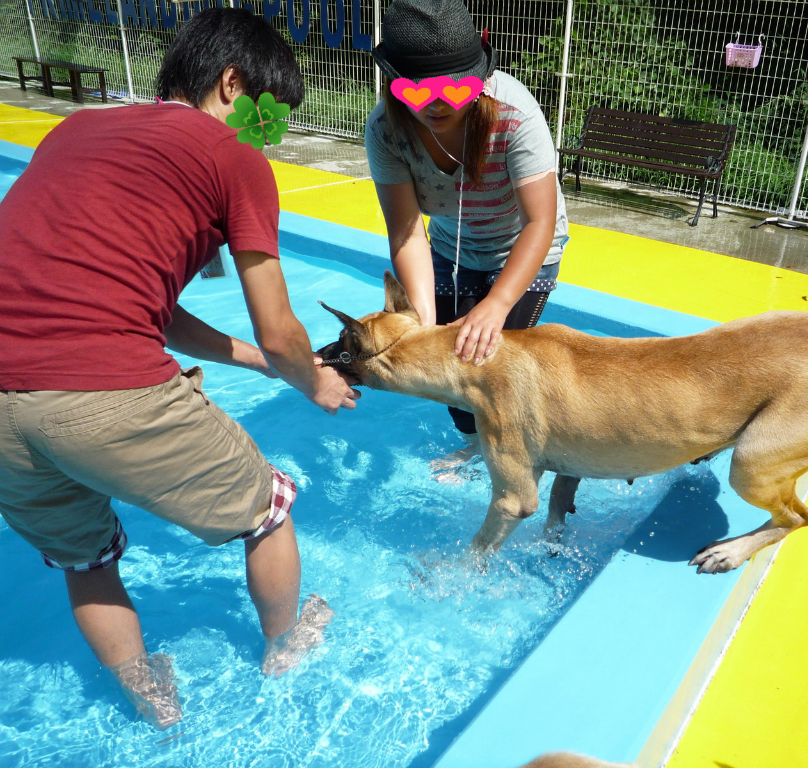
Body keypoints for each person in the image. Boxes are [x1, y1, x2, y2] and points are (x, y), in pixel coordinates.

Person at [0, 9, 359, 729]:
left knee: (86, 560)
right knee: (269, 508)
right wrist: (311, 378)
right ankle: (285, 646)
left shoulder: (75, 130)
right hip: (103, 388)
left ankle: (153, 703)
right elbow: (280, 326)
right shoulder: (234, 157)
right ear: (232, 84)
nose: (270, 138)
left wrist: (259, 366)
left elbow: (147, 309)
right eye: (269, 118)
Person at [365, 0, 569, 465]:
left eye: (452, 89)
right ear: (395, 84)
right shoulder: (386, 131)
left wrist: (497, 304)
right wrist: (421, 324)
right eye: (418, 90)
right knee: (449, 369)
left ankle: (519, 449)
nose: (436, 104)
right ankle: (477, 444)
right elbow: (407, 234)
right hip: (450, 246)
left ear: (477, 79)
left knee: (488, 363)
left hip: (524, 245)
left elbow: (539, 223)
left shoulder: (515, 115)